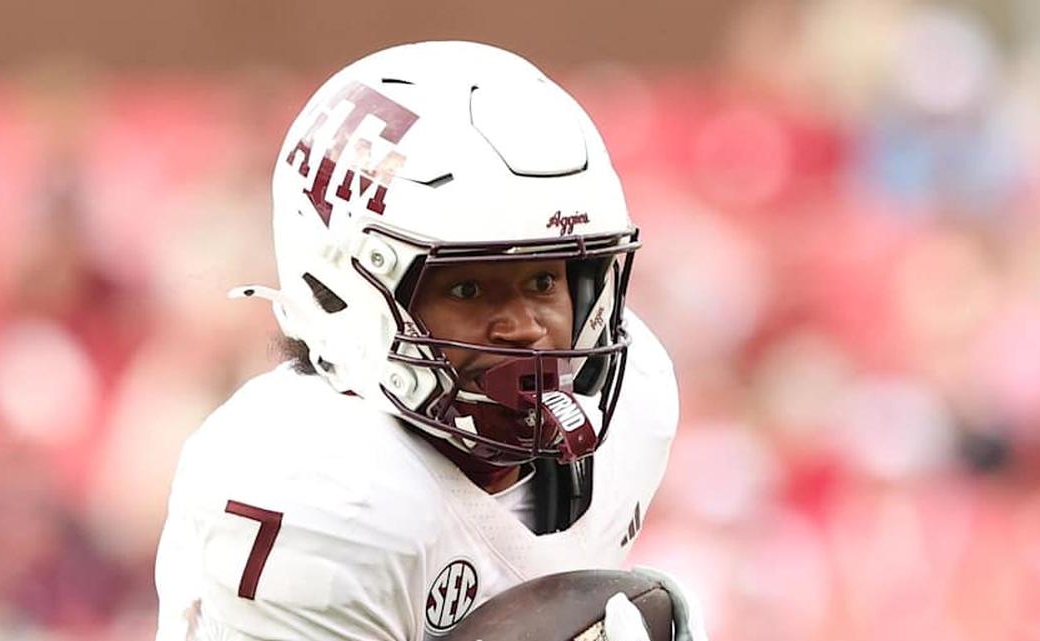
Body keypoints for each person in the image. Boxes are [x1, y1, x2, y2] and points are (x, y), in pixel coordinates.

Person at [154, 41, 701, 641]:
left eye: (544, 279)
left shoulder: (635, 405)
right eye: (468, 289)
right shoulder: (316, 485)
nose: (524, 326)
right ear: (343, 293)